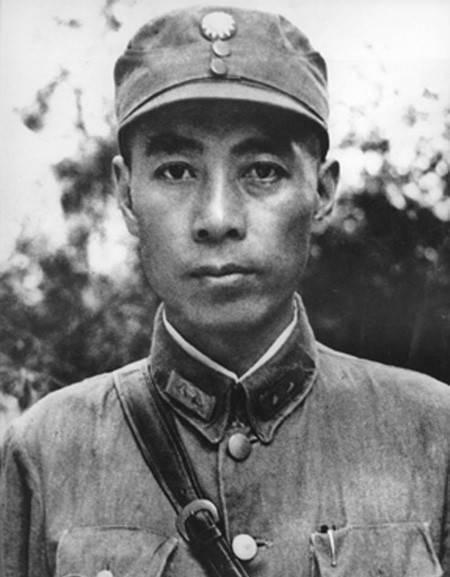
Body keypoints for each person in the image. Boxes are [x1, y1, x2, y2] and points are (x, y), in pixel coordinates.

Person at [1, 6, 449, 577]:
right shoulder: (43, 453)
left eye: (262, 170)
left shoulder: (433, 434)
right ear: (126, 193)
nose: (217, 219)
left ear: (322, 191)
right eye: (176, 171)